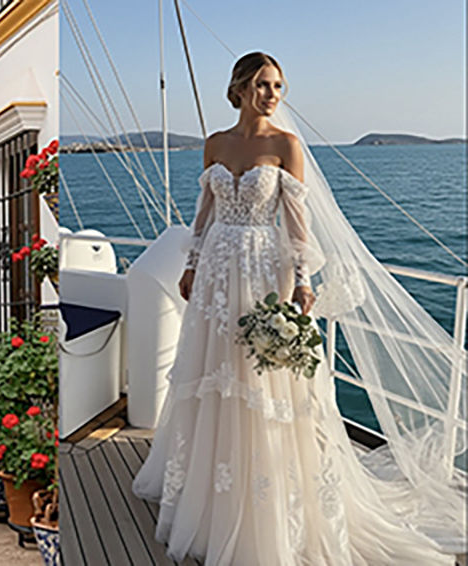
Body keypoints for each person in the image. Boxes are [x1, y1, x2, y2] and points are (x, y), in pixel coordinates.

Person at [130, 51, 459, 564]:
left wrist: (303, 281)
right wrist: (192, 265)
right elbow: (205, 213)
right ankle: (212, 498)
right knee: (215, 372)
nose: (272, 95)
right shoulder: (214, 144)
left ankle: (264, 502)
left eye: (278, 86)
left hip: (265, 270)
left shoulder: (287, 145)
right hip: (217, 272)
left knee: (264, 380)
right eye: (262, 84)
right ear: (239, 87)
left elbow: (297, 220)